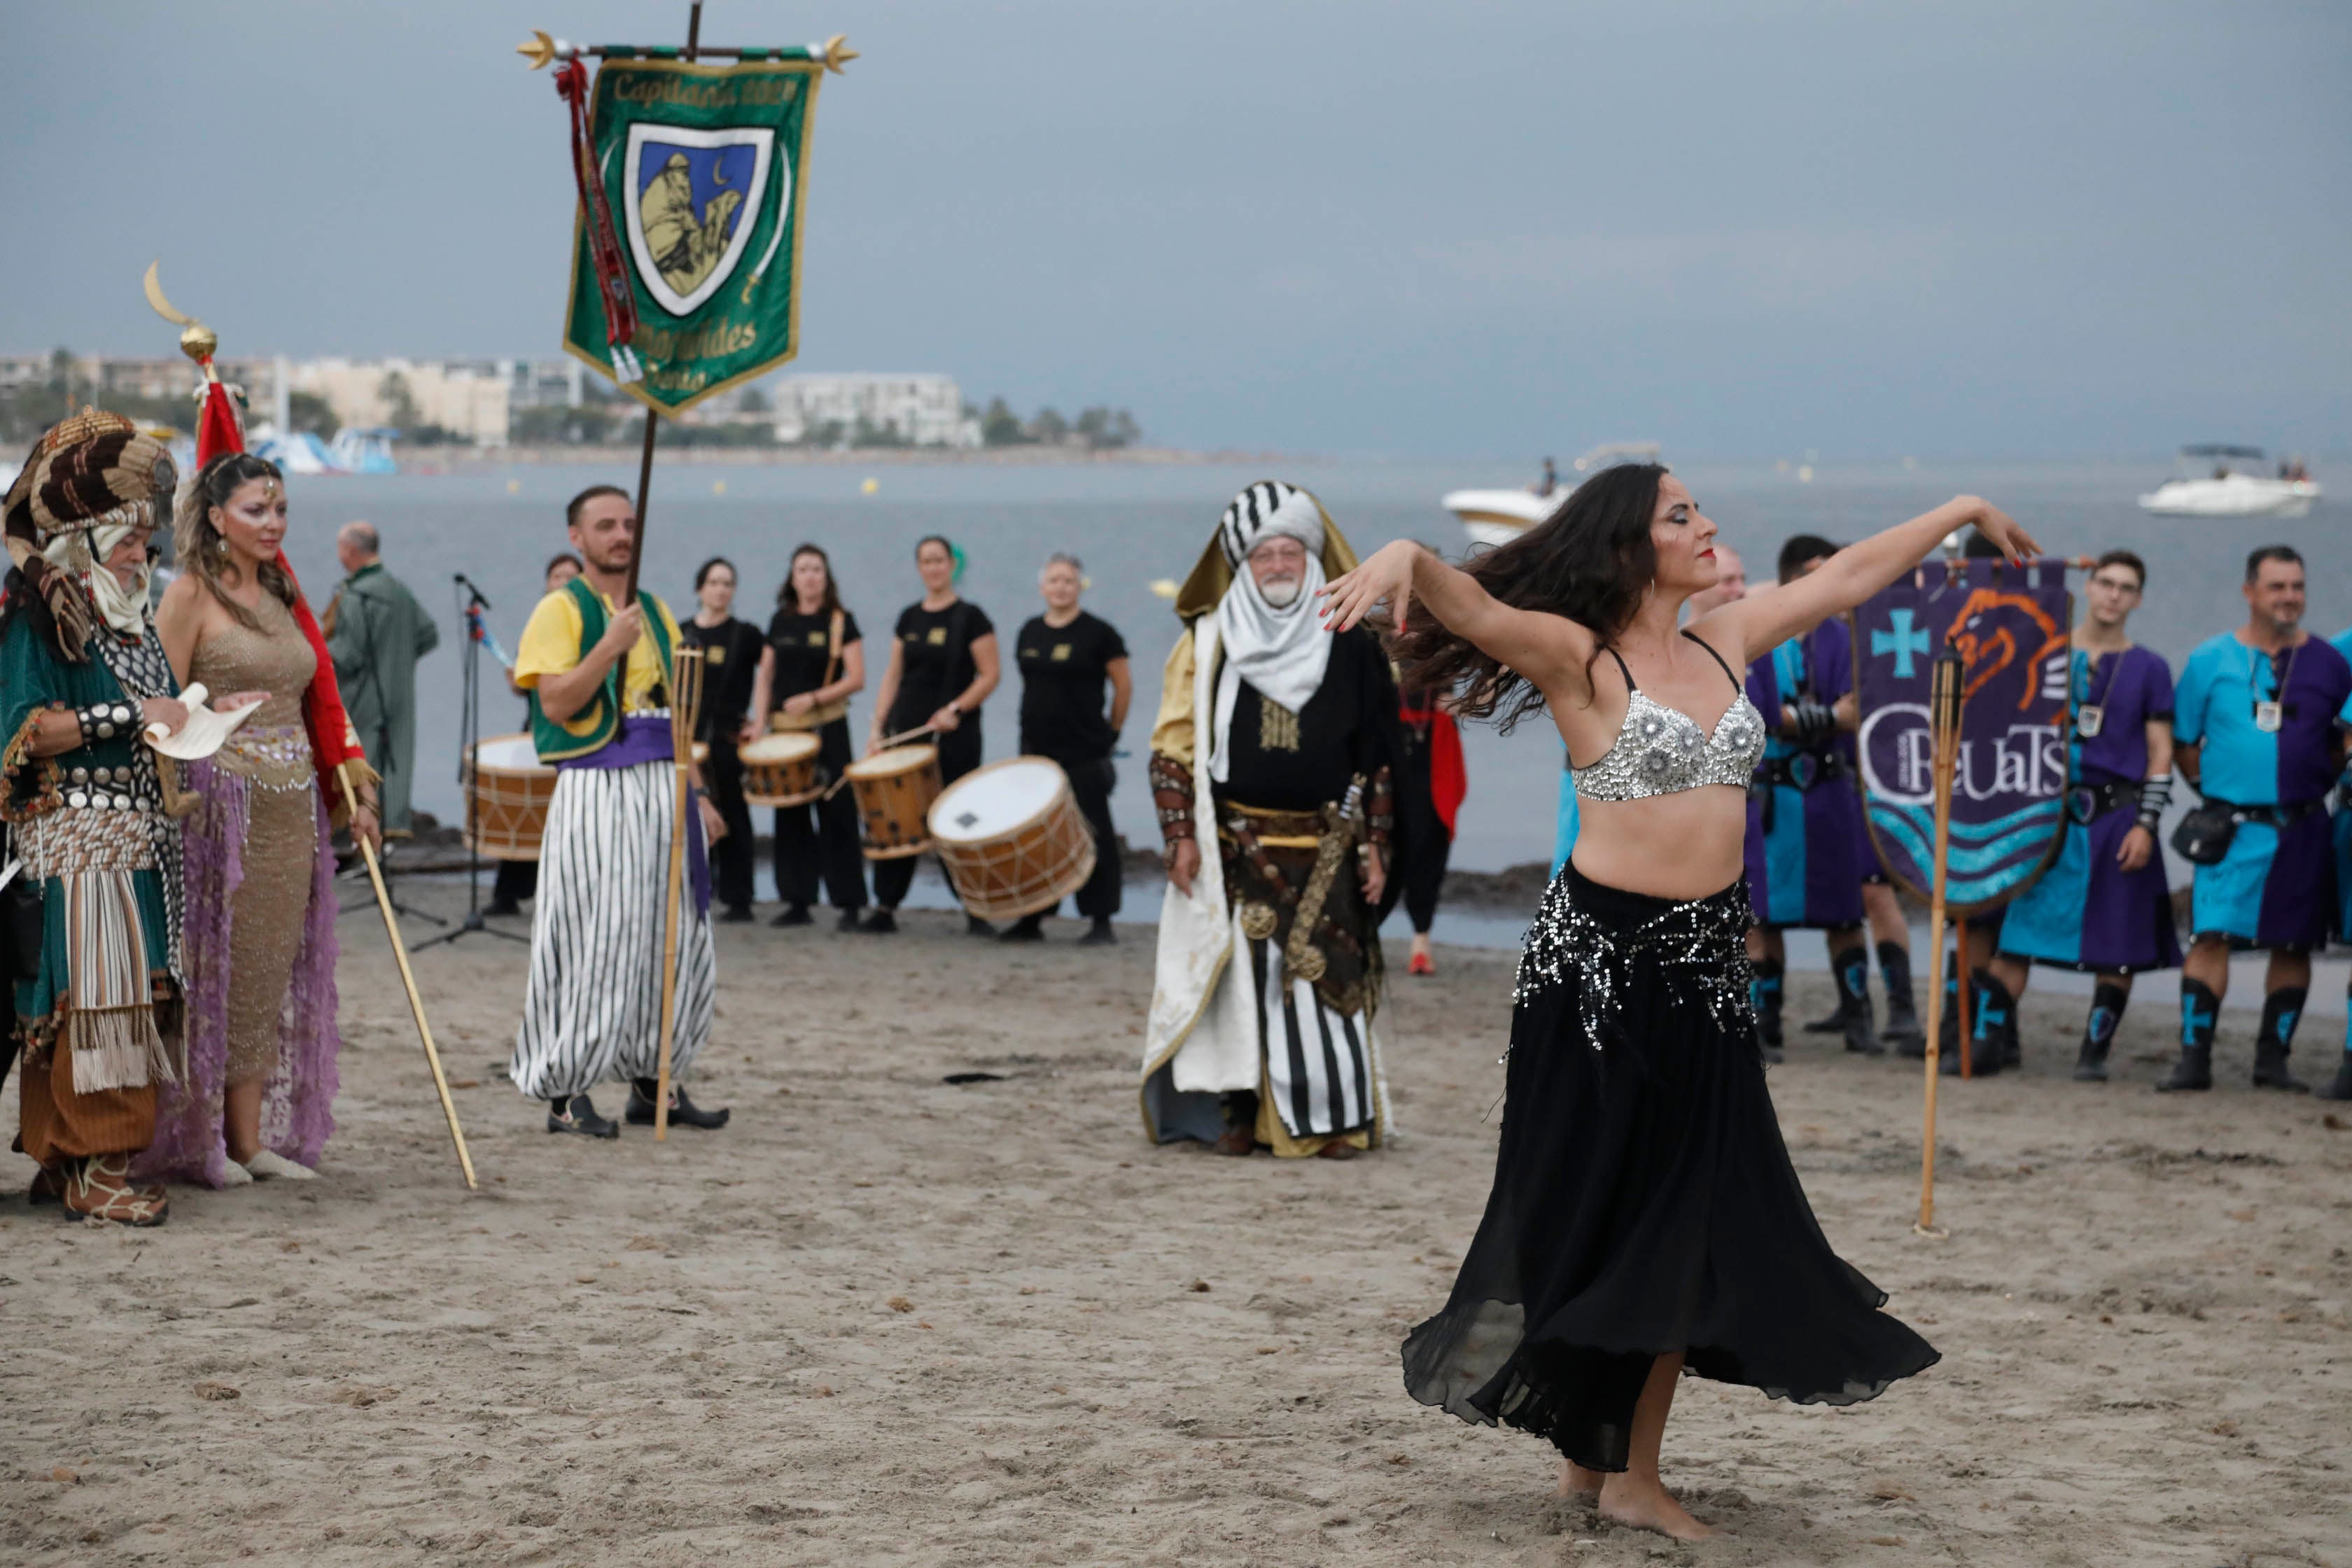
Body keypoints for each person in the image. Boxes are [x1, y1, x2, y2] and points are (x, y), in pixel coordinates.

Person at [1330, 467, 2017, 1540]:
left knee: (1679, 1223)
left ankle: (1613, 1468)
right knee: (1601, 1214)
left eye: (1701, 513)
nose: (1707, 529)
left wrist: (1961, 512)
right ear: (1627, 543)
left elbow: (1844, 580)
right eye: (1682, 517)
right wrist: (1408, 561)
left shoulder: (1723, 641)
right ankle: (1609, 1470)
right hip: (1595, 979)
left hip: (1702, 976)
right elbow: (1475, 609)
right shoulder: (1578, 657)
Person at [1140, 482, 1401, 1161]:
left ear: (1311, 555)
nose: (1280, 564)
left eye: (1290, 550)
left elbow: (1376, 757)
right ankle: (1240, 1115)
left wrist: (1377, 846)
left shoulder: (1353, 640)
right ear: (1244, 565)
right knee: (1240, 992)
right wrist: (1179, 839)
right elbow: (1172, 747)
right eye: (1265, 555)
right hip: (1236, 847)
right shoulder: (1207, 641)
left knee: (1328, 983)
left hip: (1330, 845)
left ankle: (1336, 1122)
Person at [153, 451, 372, 1186]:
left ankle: (249, 1139)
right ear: (216, 518)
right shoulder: (189, 595)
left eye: (279, 510)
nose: (272, 523)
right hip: (222, 804)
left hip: (292, 805)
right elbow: (155, 706)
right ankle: (199, 1134)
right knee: (215, 964)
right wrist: (209, 712)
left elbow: (314, 698)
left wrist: (353, 790)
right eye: (256, 510)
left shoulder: (282, 593)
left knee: (268, 968)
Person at [0, 412, 188, 1224]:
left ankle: (64, 1160)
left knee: (117, 996)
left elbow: (159, 712)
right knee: (95, 1000)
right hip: (74, 840)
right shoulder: (38, 616)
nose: (143, 553)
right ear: (84, 542)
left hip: (136, 837)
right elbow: (24, 728)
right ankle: (94, 1168)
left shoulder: (133, 620)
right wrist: (129, 718)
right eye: (127, 540)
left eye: (146, 540)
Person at [509, 485, 729, 1138]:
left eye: (629, 524)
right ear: (577, 538)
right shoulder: (560, 610)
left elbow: (675, 709)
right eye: (605, 526)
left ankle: (653, 1077)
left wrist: (702, 795)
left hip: (664, 784)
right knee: (591, 933)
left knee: (670, 931)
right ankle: (565, 1090)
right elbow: (555, 705)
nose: (621, 535)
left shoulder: (656, 610)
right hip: (597, 786)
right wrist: (608, 645)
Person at [2162, 545, 2352, 1093]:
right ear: (2250, 592)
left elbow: (2342, 739)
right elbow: (2182, 744)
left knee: (2294, 944)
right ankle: (2194, 1060)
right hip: (2230, 826)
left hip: (2303, 824)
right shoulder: (2208, 660)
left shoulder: (2329, 663)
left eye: (2297, 586)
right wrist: (2214, 792)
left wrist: (2316, 775)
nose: (2289, 597)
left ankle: (2273, 1062)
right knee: (2210, 937)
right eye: (2277, 587)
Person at [1983, 551, 2178, 1079]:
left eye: (2126, 587)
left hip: (2118, 818)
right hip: (2046, 820)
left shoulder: (2150, 668)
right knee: (2016, 938)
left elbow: (2161, 753)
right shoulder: (2047, 654)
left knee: (2119, 946)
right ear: (2088, 588)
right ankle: (1987, 1044)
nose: (2114, 594)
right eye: (2106, 583)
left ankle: (2093, 1056)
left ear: (2137, 599)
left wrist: (2146, 824)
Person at [1742, 536, 1882, 1061]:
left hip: (1828, 797)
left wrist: (1800, 719)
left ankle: (1857, 1019)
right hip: (1773, 798)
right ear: (1797, 578)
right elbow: (1759, 715)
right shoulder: (1753, 634)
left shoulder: (1842, 638)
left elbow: (1857, 709)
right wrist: (1820, 718)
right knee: (1763, 915)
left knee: (1846, 915)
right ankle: (1764, 1021)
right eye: (1826, 573)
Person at [863, 536, 999, 934]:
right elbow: (893, 676)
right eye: (926, 561)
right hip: (906, 733)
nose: (933, 568)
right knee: (897, 818)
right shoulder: (909, 617)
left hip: (954, 736)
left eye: (940, 561)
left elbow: (990, 675)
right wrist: (876, 728)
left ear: (951, 566)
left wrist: (956, 709)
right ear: (919, 567)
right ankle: (886, 907)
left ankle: (976, 909)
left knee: (956, 821)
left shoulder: (972, 617)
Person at [1004, 552, 1130, 944]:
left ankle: (1101, 919)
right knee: (1035, 838)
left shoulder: (1099, 633)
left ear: (1080, 587)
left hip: (1085, 751)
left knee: (1094, 832)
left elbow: (1122, 687)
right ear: (1042, 588)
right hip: (1036, 753)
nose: (1061, 587)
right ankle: (1032, 918)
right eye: (1054, 581)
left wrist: (1112, 732)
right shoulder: (1029, 631)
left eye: (1068, 581)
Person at [748, 544, 867, 930]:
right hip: (785, 731)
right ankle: (797, 900)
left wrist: (814, 698)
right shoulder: (780, 621)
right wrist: (758, 722)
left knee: (837, 812)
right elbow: (765, 676)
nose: (810, 576)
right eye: (803, 569)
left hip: (827, 726)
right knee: (791, 814)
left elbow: (856, 678)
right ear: (792, 577)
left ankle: (849, 903)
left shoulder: (840, 621)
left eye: (817, 569)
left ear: (826, 576)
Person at [323, 521, 439, 839]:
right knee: (395, 762)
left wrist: (313, 650)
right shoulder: (398, 590)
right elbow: (428, 635)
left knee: (363, 761)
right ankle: (391, 833)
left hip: (364, 697)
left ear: (350, 551)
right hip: (399, 695)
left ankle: (357, 840)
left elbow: (347, 656)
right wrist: (398, 660)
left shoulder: (357, 595)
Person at [486, 553, 582, 918]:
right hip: (538, 729)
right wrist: (517, 683)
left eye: (570, 576)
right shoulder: (540, 622)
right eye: (556, 575)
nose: (562, 581)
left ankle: (565, 894)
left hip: (578, 732)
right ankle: (508, 894)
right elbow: (530, 680)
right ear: (547, 583)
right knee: (523, 809)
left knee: (567, 817)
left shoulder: (589, 623)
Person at [679, 556, 762, 923]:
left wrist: (760, 719)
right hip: (688, 741)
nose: (721, 590)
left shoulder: (745, 634)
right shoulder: (682, 633)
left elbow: (772, 672)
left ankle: (739, 896)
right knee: (689, 813)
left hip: (727, 740)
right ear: (700, 588)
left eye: (728, 583)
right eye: (714, 582)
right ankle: (694, 889)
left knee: (734, 816)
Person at [1396, 675, 1464, 976]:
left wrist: (1470, 701)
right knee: (1377, 838)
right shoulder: (1371, 630)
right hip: (1387, 739)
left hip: (1436, 741)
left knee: (1431, 840)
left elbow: (1496, 658)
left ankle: (1420, 941)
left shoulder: (1447, 629)